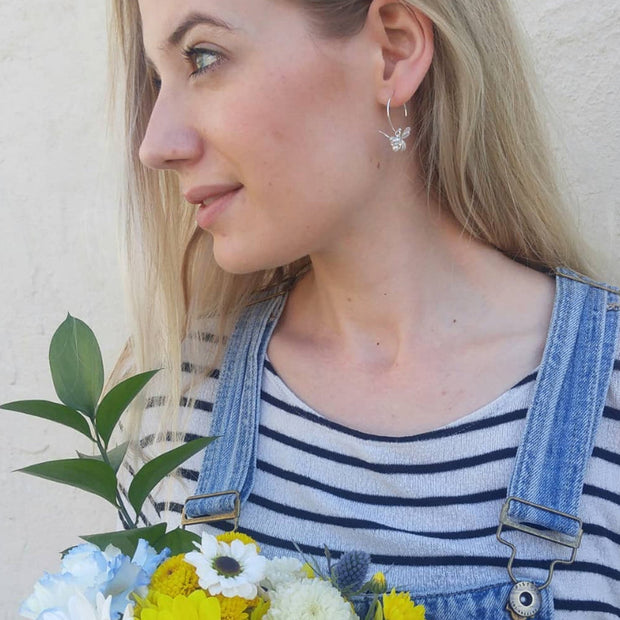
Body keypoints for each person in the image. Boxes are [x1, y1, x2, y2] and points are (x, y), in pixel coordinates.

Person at [110, 0, 620, 617]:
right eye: (157, 79)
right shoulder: (182, 394)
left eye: (204, 57)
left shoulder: (607, 395)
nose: (155, 145)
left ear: (393, 51)